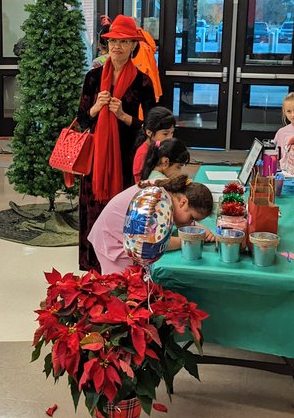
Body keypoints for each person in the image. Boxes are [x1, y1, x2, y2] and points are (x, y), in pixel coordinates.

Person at [76, 15, 157, 271]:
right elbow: (81, 120)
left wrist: (123, 116)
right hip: (96, 161)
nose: (116, 47)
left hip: (125, 160)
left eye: (123, 42)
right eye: (112, 41)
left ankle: (121, 270)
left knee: (120, 213)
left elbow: (152, 128)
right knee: (93, 211)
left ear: (133, 45)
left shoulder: (143, 81)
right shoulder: (93, 77)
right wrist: (95, 108)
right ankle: (93, 269)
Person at [87, 175, 214, 275]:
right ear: (183, 202)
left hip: (119, 234)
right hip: (113, 241)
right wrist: (188, 241)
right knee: (120, 288)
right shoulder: (159, 203)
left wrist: (198, 227)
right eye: (192, 218)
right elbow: (153, 243)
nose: (190, 223)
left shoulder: (169, 190)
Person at [132, 106, 176, 182]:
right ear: (149, 132)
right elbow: (140, 184)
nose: (170, 137)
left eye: (172, 133)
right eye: (165, 134)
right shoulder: (142, 154)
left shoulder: (160, 147)